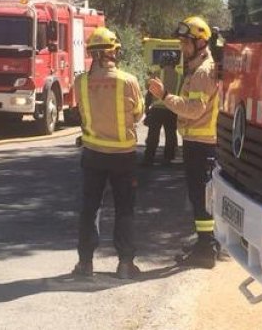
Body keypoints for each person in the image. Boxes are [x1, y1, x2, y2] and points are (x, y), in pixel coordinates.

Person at [147, 15, 220, 269]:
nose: (181, 47)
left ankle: (206, 249)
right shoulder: (198, 68)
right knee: (201, 196)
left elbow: (194, 110)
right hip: (198, 141)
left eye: (185, 43)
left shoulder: (201, 72)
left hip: (201, 143)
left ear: (200, 43)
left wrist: (165, 95)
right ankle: (205, 243)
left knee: (201, 198)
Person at [73, 27, 145, 280]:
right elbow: (138, 113)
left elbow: (80, 112)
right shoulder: (128, 81)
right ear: (113, 52)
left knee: (90, 208)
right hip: (123, 156)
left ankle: (84, 264)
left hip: (93, 154)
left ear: (93, 53)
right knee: (124, 208)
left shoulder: (80, 82)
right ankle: (125, 264)